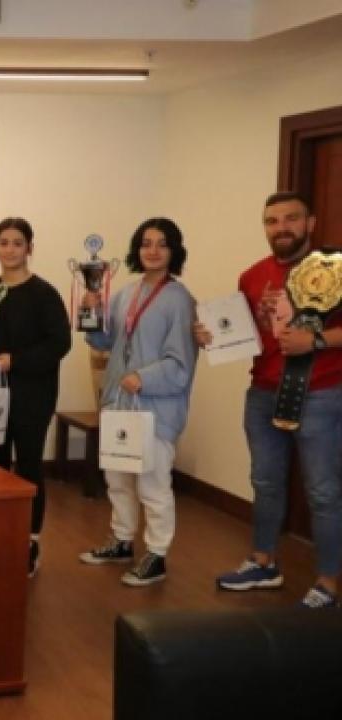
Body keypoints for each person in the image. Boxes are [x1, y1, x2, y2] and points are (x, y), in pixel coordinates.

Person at [202, 192, 342, 608]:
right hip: (263, 392)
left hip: (320, 393)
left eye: (291, 218)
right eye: (272, 221)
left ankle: (328, 583)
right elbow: (245, 334)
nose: (281, 228)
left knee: (323, 492)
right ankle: (263, 562)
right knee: (265, 482)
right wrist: (212, 335)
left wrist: (315, 340)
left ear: (310, 223)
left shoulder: (335, 268)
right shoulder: (251, 276)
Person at [77, 218, 197, 587]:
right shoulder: (125, 294)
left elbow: (181, 362)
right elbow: (103, 343)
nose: (153, 250)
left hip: (154, 409)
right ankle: (122, 540)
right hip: (119, 403)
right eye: (146, 243)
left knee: (152, 484)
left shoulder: (179, 299)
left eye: (162, 243)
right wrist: (92, 312)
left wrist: (143, 378)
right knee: (117, 479)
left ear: (174, 251)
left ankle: (157, 554)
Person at [0, 218, 71, 577]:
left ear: (30, 248)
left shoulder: (44, 294)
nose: (10, 249)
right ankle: (1, 535)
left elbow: (59, 344)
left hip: (32, 394)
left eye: (17, 243)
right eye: (3, 243)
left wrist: (17, 360)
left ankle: (29, 541)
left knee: (28, 466)